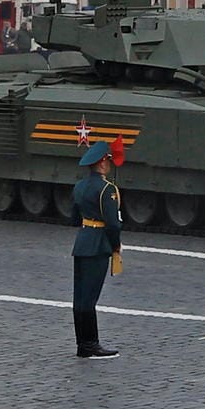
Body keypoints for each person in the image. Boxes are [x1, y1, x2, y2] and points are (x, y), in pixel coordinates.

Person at [71, 140, 125, 359]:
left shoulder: (79, 186)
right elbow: (113, 224)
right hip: (98, 245)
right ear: (103, 162)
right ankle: (91, 345)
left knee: (80, 298)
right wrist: (115, 246)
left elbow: (74, 217)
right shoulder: (107, 189)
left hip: (82, 241)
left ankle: (82, 344)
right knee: (90, 298)